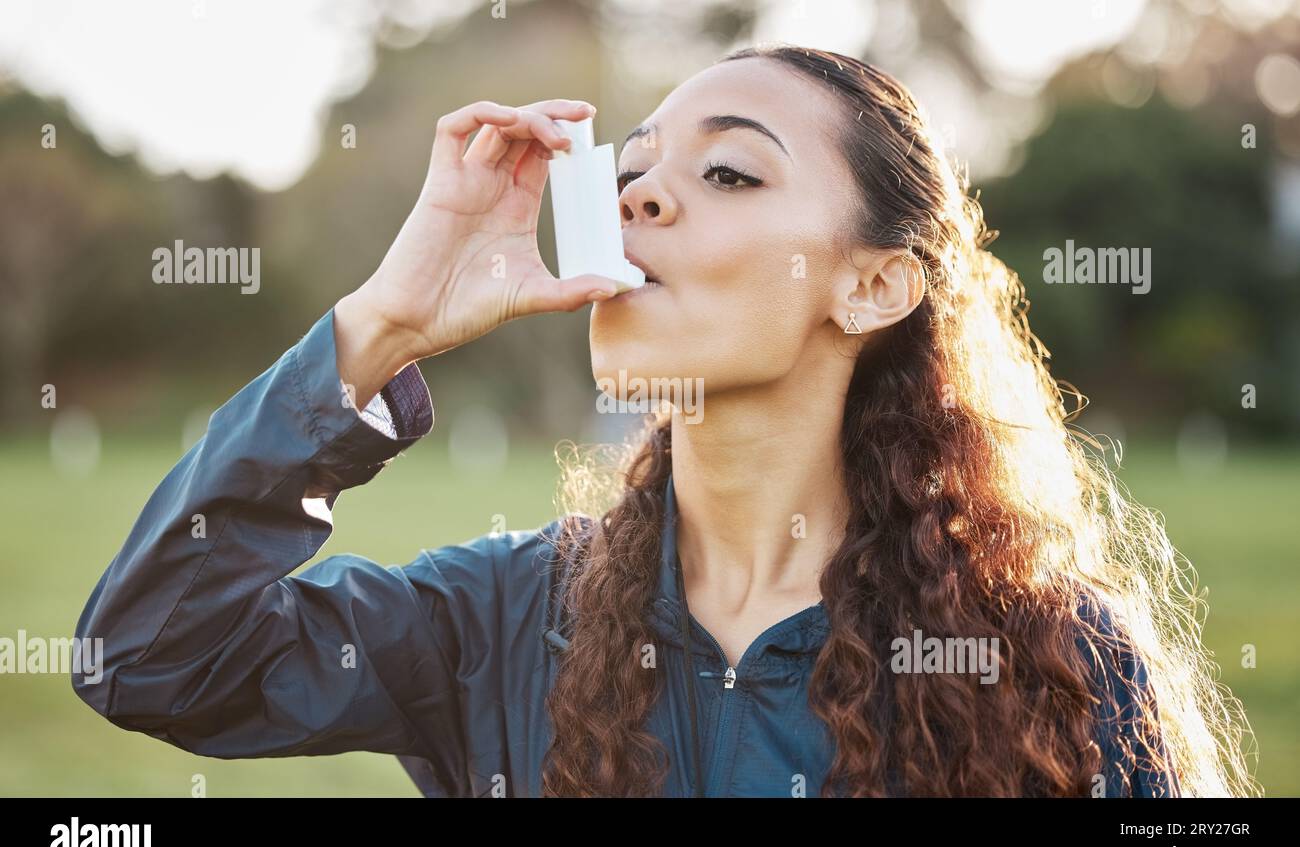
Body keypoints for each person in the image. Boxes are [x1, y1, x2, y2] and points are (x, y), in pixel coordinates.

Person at [71, 44, 1256, 798]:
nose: (638, 196)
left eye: (729, 175)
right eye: (630, 173)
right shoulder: (502, 618)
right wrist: (379, 327)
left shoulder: (1054, 660)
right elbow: (150, 659)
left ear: (874, 286)